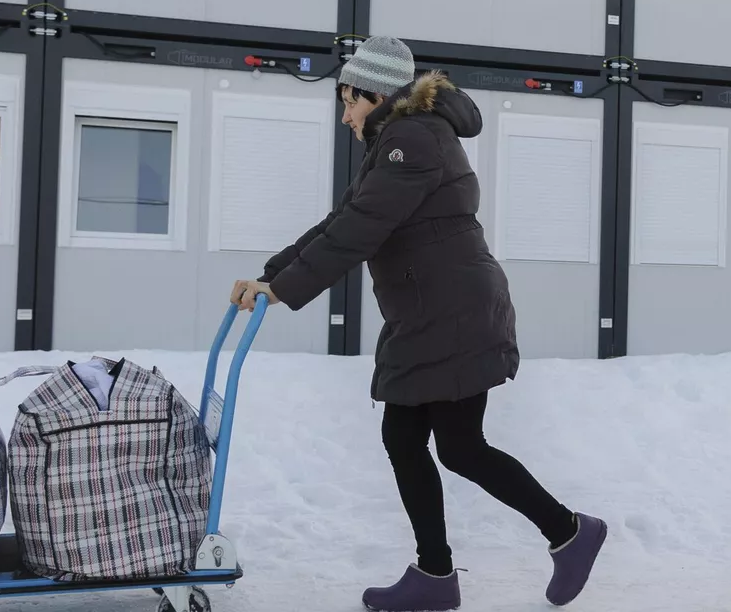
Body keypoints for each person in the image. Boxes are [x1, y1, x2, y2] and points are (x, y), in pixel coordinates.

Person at [229, 35, 605, 611]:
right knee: (408, 438)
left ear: (376, 94)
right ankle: (438, 575)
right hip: (433, 310)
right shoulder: (398, 140)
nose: (347, 116)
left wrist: (281, 290)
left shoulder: (411, 140)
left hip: (453, 312)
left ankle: (569, 533)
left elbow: (359, 231)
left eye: (349, 102)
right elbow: (346, 217)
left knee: (459, 447)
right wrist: (271, 274)